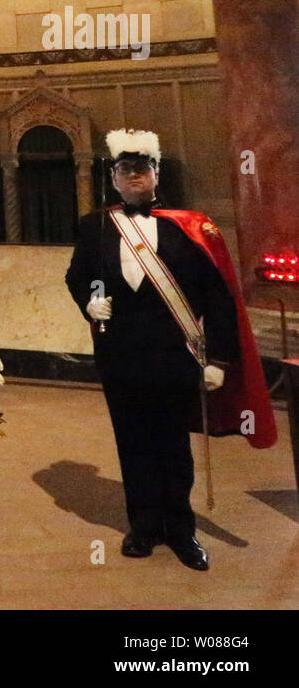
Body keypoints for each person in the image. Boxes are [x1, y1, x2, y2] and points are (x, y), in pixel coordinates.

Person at [65, 129, 275, 571]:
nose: (134, 176)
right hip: (120, 357)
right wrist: (89, 299)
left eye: (142, 168)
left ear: (156, 174)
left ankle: (181, 531)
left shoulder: (190, 227)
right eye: (125, 170)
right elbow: (78, 275)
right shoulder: (96, 225)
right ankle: (143, 527)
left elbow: (218, 298)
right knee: (133, 443)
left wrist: (218, 360)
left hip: (174, 356)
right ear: (114, 178)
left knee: (173, 446)